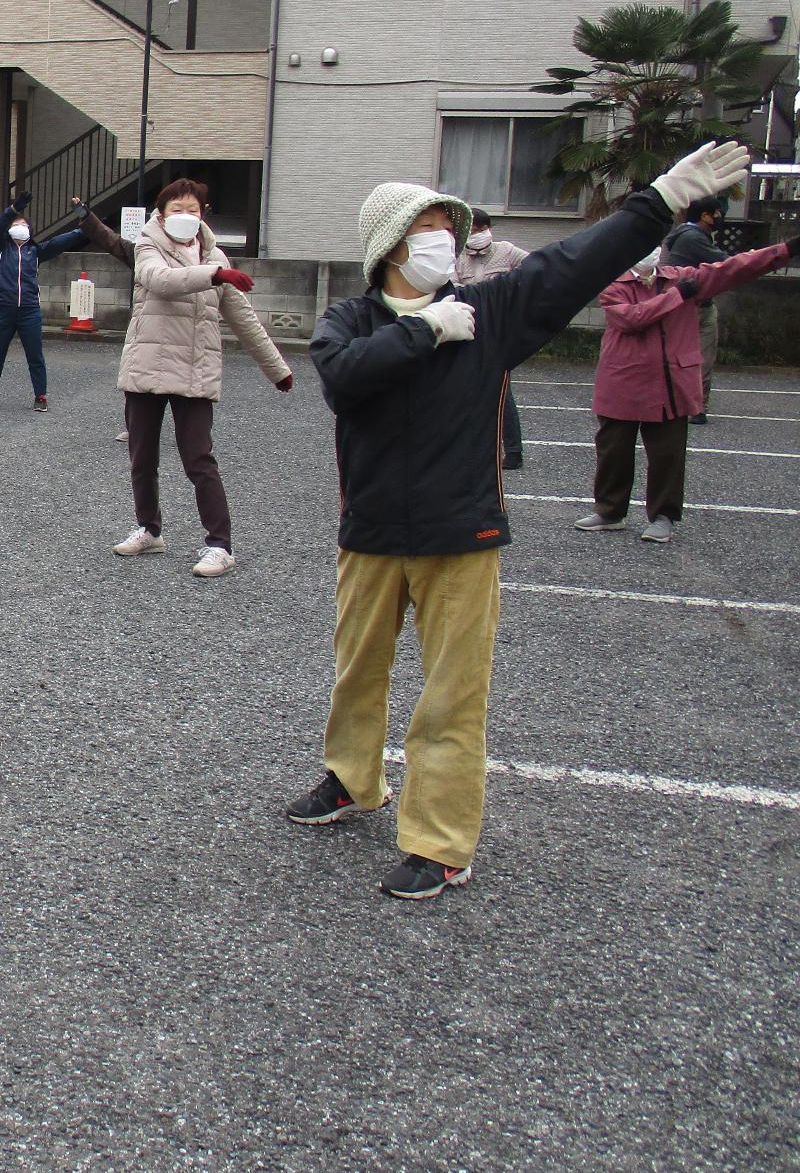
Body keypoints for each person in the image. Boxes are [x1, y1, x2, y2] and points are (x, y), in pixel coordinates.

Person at [284, 140, 753, 901]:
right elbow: (343, 378)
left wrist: (660, 200)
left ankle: (439, 842)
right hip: (368, 529)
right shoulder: (352, 318)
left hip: (462, 534)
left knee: (452, 695)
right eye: (429, 227)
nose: (446, 239)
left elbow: (577, 260)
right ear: (390, 244)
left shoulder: (490, 310)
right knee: (357, 671)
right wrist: (427, 330)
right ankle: (350, 779)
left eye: (448, 225)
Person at [73, 182, 292, 578]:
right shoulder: (147, 246)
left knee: (199, 460)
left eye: (193, 208)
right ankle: (149, 529)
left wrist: (276, 368)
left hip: (196, 369)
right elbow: (160, 281)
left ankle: (219, 545)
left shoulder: (215, 256)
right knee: (142, 458)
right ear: (160, 213)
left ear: (203, 213)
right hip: (146, 365)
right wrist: (216, 274)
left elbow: (243, 318)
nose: (185, 215)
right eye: (177, 208)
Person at [575, 233, 797, 543]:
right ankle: (610, 510)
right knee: (614, 451)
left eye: (654, 246)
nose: (649, 253)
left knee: (668, 455)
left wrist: (784, 250)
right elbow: (631, 319)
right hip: (622, 381)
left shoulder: (683, 278)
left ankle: (664, 515)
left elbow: (733, 268)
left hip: (671, 384)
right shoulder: (615, 285)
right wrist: (677, 296)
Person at [0, 189, 86, 411]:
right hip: (4, 309)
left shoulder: (35, 251)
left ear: (30, 230)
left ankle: (40, 396)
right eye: (16, 224)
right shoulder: (0, 248)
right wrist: (15, 209)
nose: (20, 227)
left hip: (29, 311)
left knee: (35, 355)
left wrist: (85, 219)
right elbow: (0, 225)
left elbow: (61, 241)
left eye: (24, 225)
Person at [453, 208, 529, 470]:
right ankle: (472, 450)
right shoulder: (459, 257)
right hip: (468, 329)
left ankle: (513, 451)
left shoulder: (506, 251)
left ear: (486, 229)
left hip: (499, 332)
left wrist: (511, 292)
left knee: (501, 392)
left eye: (476, 230)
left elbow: (533, 268)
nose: (472, 236)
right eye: (468, 232)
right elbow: (451, 289)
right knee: (466, 390)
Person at [663, 196, 728, 423]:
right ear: (705, 215)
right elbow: (723, 262)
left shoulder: (689, 235)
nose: (720, 217)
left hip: (693, 303)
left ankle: (691, 405)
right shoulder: (692, 237)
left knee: (690, 357)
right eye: (717, 213)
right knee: (700, 358)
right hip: (693, 306)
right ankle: (694, 407)